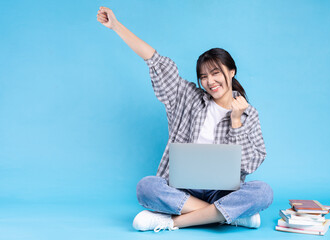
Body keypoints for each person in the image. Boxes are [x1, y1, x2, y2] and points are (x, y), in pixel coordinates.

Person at [97, 6, 273, 232]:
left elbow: (249, 165)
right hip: (182, 189)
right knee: (146, 187)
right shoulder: (187, 98)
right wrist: (116, 26)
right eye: (204, 76)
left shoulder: (249, 113)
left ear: (231, 72)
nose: (210, 81)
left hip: (222, 192)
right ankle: (226, 215)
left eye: (216, 73)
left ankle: (174, 221)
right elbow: (155, 61)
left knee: (263, 192)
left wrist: (237, 122)